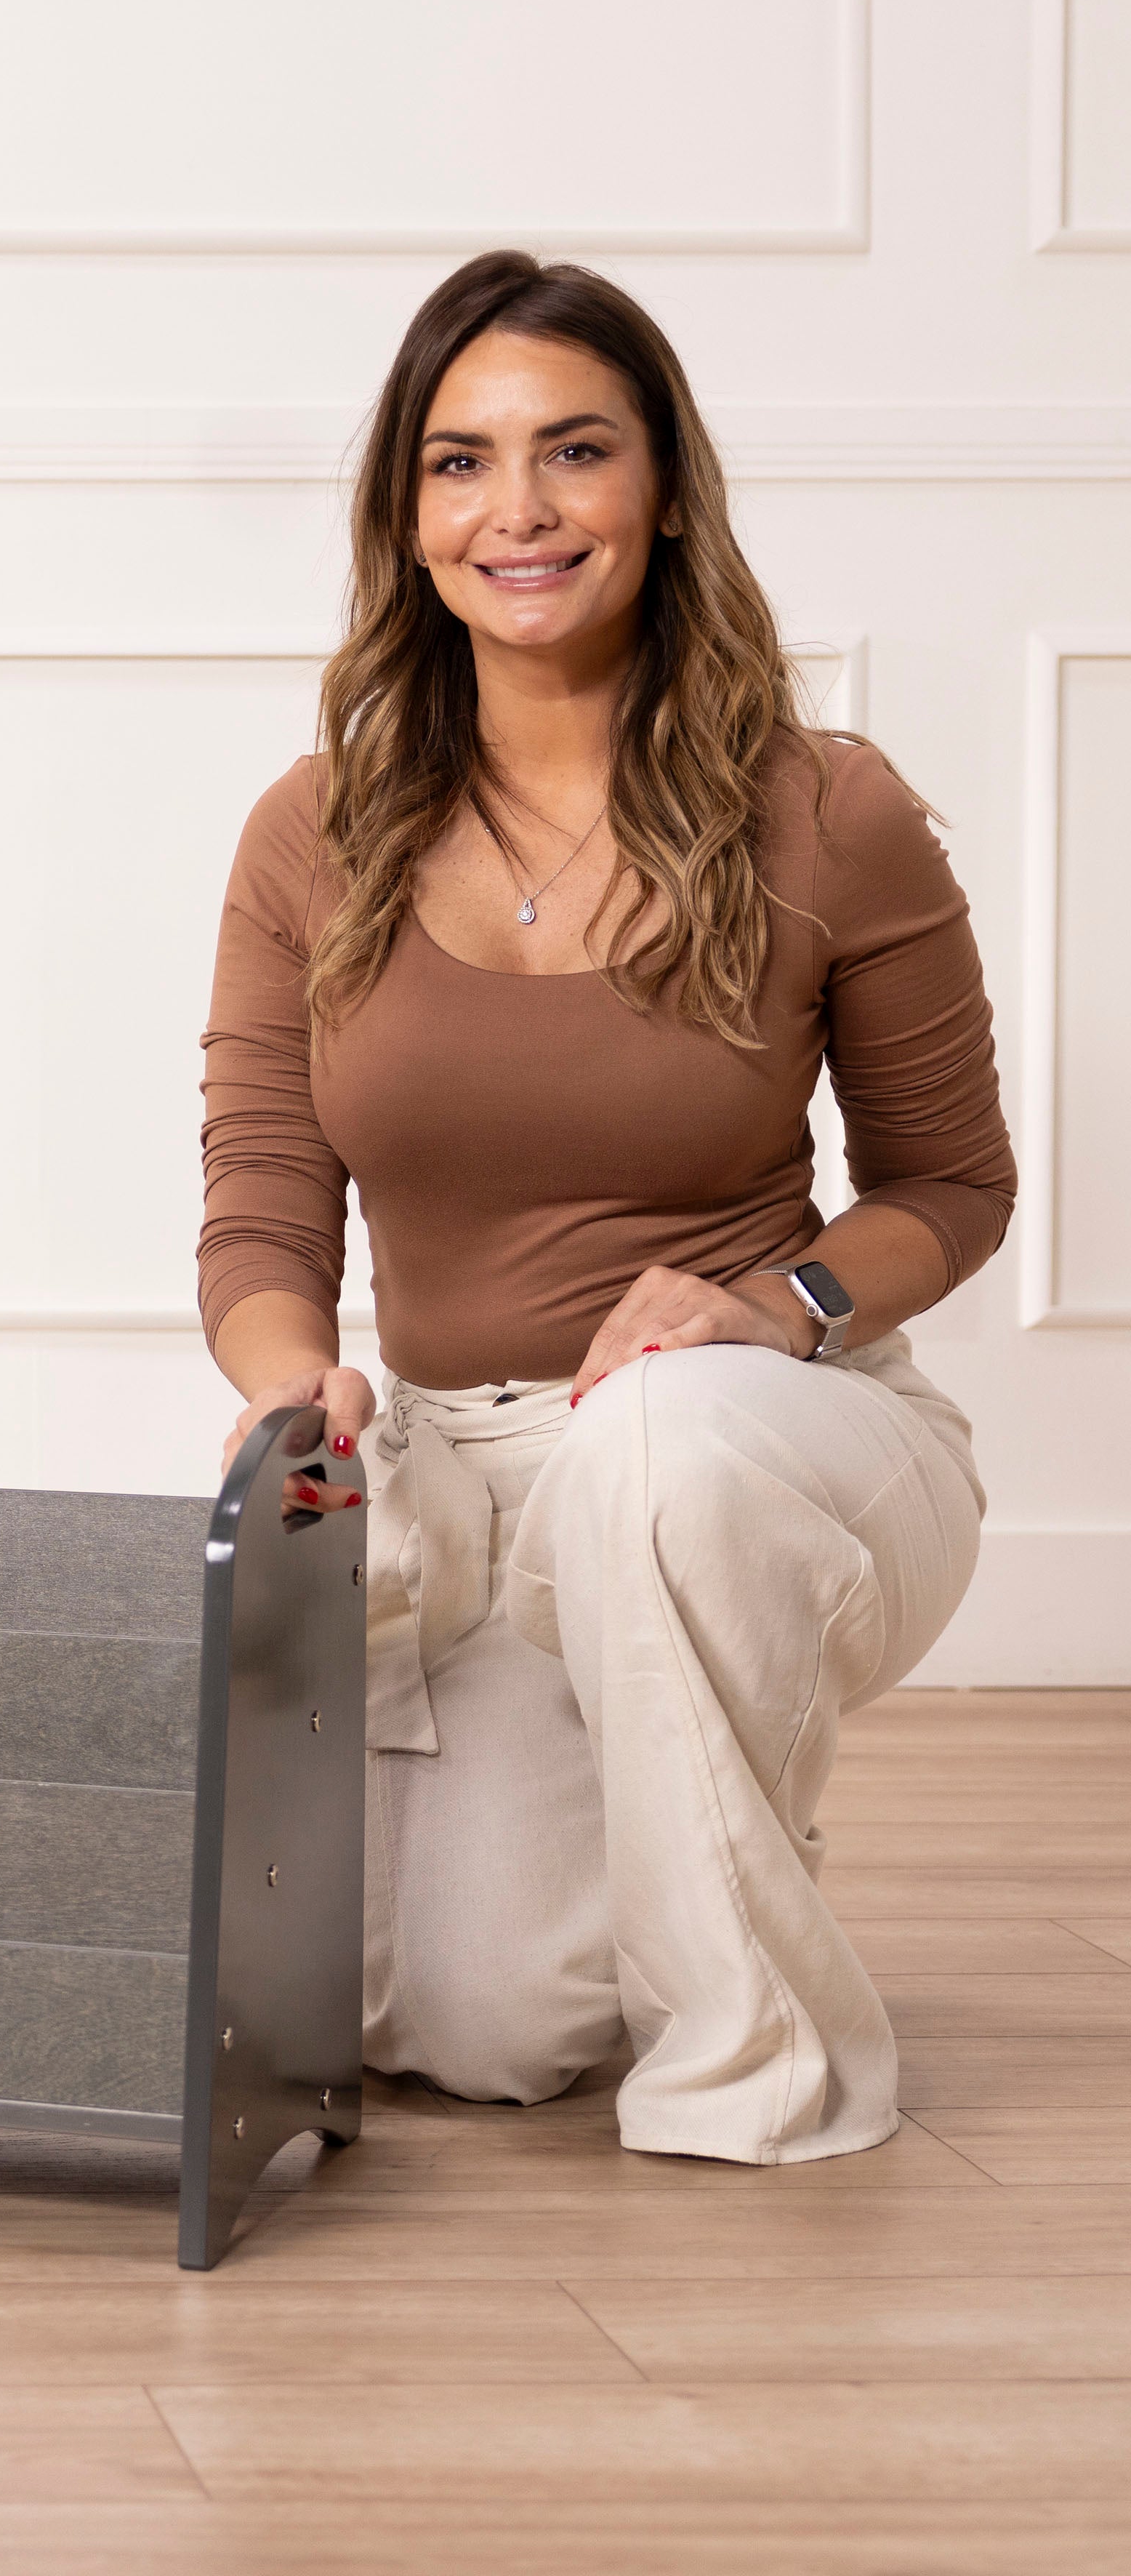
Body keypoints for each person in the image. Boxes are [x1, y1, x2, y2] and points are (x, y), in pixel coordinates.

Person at [198, 250, 1015, 2164]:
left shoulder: (828, 811)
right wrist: (291, 1382)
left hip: (772, 1436)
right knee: (467, 2033)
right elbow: (259, 1205)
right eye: (463, 464)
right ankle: (702, 1767)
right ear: (407, 518)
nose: (522, 511)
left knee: (660, 1439)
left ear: (661, 487)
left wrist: (781, 1308)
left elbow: (951, 1188)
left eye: (575, 452)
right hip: (476, 1480)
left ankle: (769, 2087)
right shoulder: (315, 831)